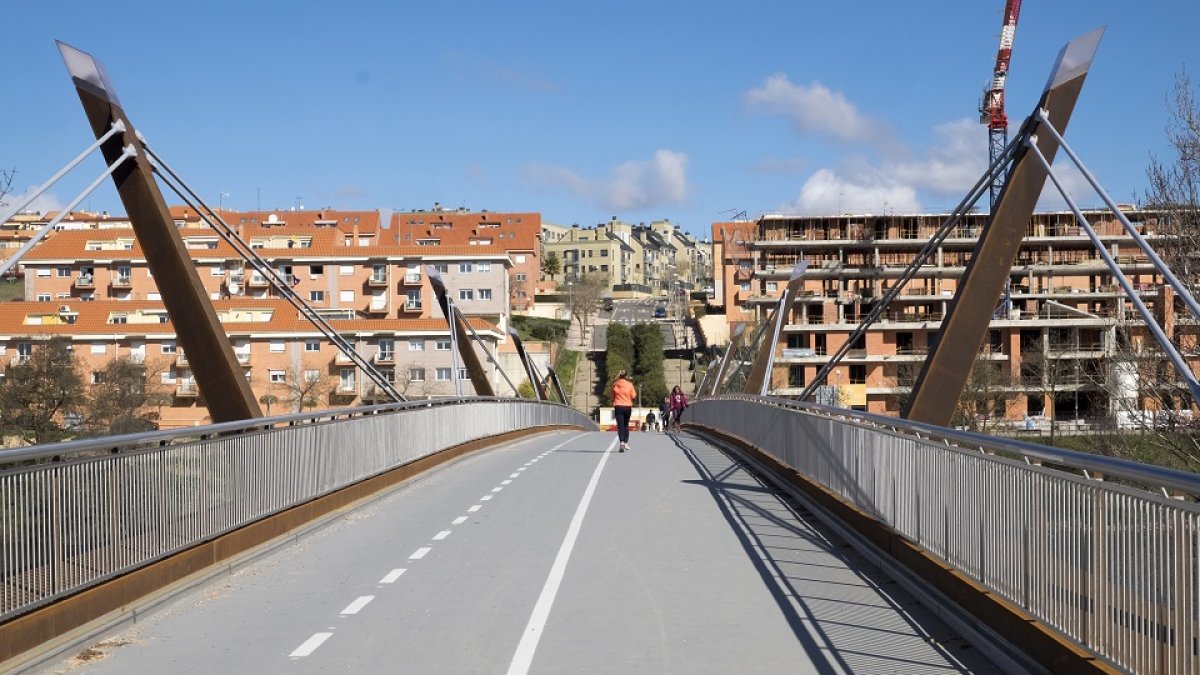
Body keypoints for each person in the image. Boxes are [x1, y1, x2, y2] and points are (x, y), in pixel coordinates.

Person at [610, 370, 636, 452]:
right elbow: (633, 396)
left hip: (618, 406)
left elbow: (612, 396)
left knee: (620, 426)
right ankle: (626, 442)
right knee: (625, 425)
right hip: (627, 406)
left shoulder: (615, 385)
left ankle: (621, 442)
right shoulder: (629, 384)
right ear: (626, 376)